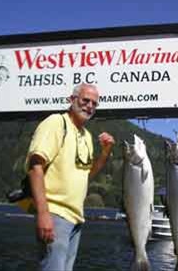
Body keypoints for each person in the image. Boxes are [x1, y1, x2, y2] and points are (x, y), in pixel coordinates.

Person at [25, 83, 115, 271]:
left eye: (94, 103)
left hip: (76, 218)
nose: (90, 106)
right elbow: (35, 167)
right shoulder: (56, 122)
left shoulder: (87, 136)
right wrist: (43, 214)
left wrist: (105, 153)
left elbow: (86, 175)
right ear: (72, 100)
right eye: (85, 100)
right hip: (55, 214)